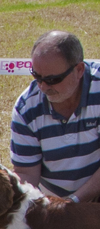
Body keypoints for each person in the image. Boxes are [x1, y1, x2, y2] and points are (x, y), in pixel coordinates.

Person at [11, 31, 100, 204]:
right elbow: (26, 173)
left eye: (53, 79)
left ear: (79, 70)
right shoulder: (26, 109)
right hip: (55, 204)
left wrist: (73, 202)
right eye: (37, 76)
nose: (43, 87)